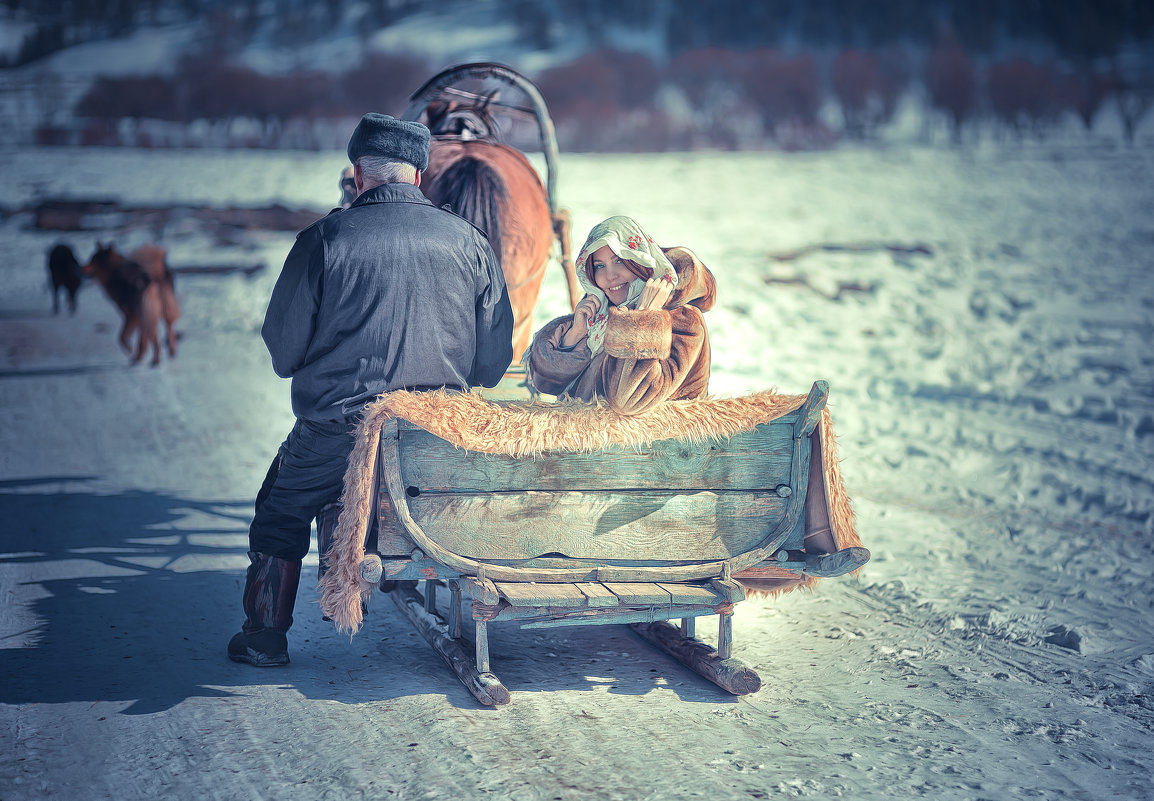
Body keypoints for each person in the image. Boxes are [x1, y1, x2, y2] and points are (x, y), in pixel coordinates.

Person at [228, 112, 514, 667]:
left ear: (358, 173)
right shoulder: (471, 242)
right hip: (435, 430)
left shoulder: (324, 239)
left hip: (340, 431)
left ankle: (264, 637)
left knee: (281, 513)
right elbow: (491, 365)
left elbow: (284, 353)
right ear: (418, 177)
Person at [525, 215, 716, 414]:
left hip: (656, 444)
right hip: (589, 443)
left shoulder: (684, 321)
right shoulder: (600, 317)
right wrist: (574, 336)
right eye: (600, 266)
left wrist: (644, 318)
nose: (610, 276)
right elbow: (546, 384)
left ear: (640, 261)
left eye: (619, 261)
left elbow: (628, 401)